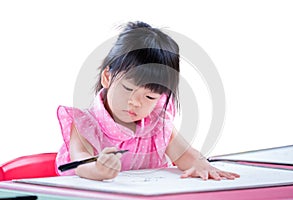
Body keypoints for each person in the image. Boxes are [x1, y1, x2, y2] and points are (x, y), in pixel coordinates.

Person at [55, 21, 240, 181]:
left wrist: (202, 165)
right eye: (128, 89)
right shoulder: (84, 123)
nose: (135, 102)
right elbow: (78, 162)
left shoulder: (156, 124)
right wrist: (98, 169)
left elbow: (185, 154)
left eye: (150, 97)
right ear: (107, 77)